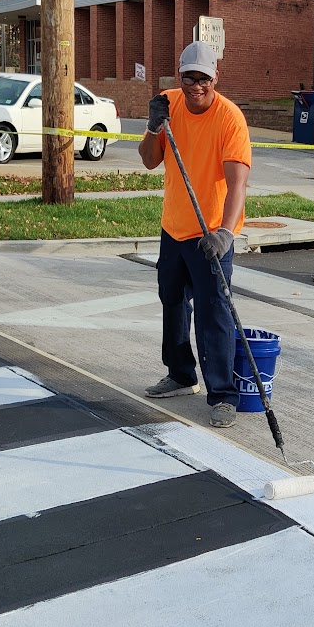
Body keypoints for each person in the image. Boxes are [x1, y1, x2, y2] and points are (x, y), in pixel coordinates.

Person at [138, 41, 252, 428]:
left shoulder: (229, 118)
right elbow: (150, 161)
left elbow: (238, 184)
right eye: (190, 78)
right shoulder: (167, 105)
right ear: (180, 76)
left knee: (213, 312)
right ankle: (181, 375)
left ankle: (222, 395)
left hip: (212, 235)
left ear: (215, 78)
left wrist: (224, 233)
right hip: (174, 226)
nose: (196, 86)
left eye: (204, 78)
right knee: (171, 300)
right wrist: (154, 127)